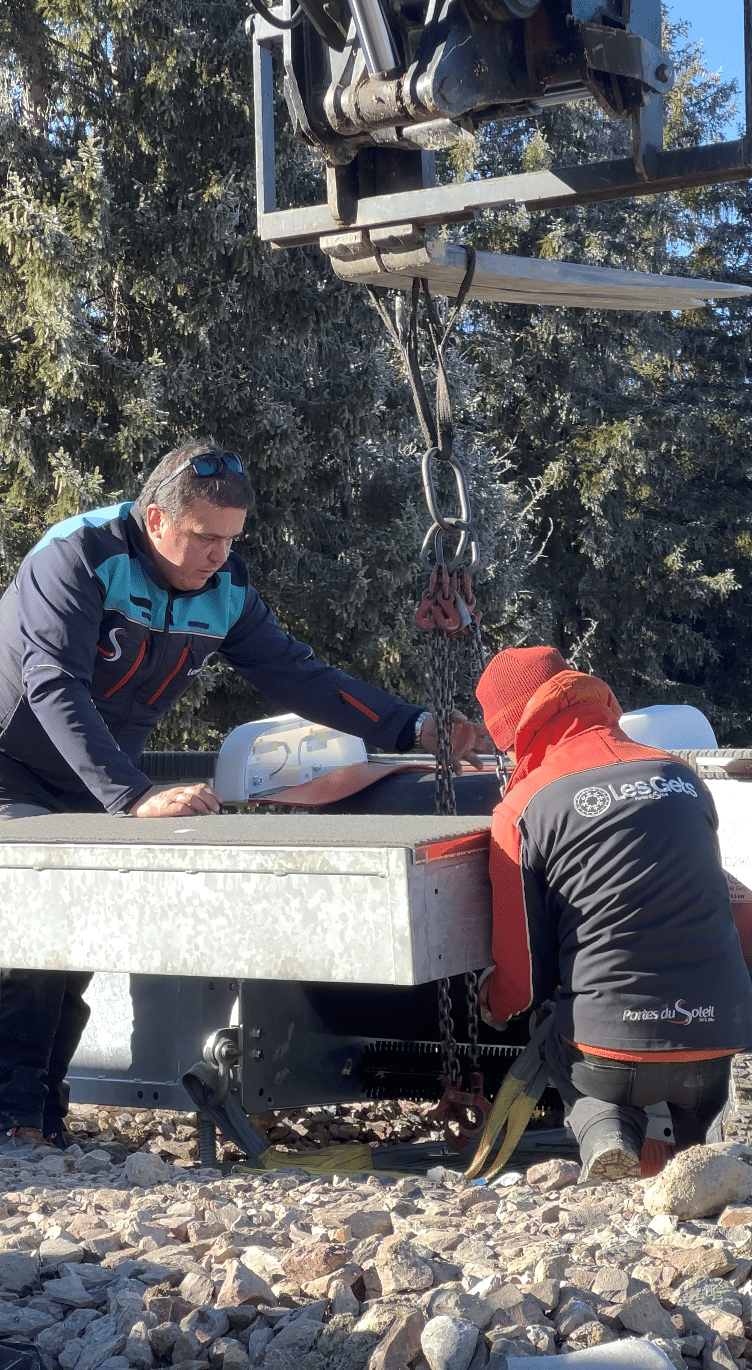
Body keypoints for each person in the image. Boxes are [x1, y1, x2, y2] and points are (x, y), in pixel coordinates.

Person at [0, 437, 487, 1154]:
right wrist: (131, 797)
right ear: (156, 520)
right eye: (204, 538)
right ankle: (13, 1120)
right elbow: (52, 685)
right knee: (29, 940)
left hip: (92, 774)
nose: (218, 556)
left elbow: (297, 675)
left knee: (72, 946)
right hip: (13, 764)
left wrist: (408, 725)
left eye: (230, 540)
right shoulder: (76, 557)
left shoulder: (226, 590)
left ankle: (41, 1115)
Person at [474, 645, 752, 1183]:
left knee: (559, 1031)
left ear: (511, 732)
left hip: (607, 1053)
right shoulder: (681, 777)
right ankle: (695, 1166)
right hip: (718, 1036)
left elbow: (525, 976)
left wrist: (495, 1002)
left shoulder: (523, 807)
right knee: (693, 1128)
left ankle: (605, 1136)